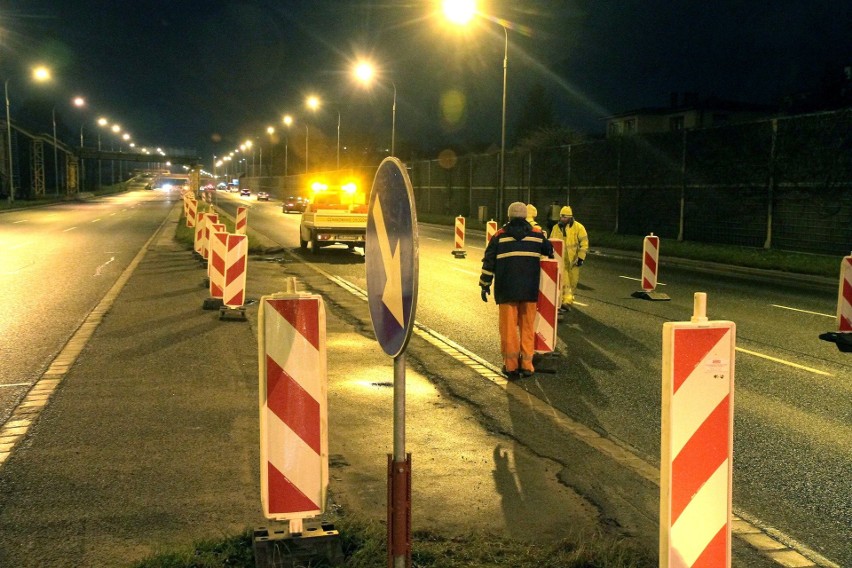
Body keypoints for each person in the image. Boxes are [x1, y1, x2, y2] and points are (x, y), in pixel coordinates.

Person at [480, 202, 554, 378]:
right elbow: (549, 250)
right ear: (526, 216)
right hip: (529, 290)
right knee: (528, 328)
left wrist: (485, 284)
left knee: (508, 330)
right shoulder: (536, 235)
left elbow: (488, 262)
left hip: (506, 291)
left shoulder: (499, 236)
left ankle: (511, 367)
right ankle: (527, 366)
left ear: (509, 217)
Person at [549, 205, 588, 311]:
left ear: (570, 217)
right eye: (561, 217)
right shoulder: (556, 228)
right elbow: (551, 242)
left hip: (573, 260)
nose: (562, 219)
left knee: (573, 282)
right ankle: (565, 302)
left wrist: (581, 258)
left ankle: (568, 300)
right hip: (561, 260)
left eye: (564, 217)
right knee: (564, 282)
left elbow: (584, 244)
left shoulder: (578, 227)